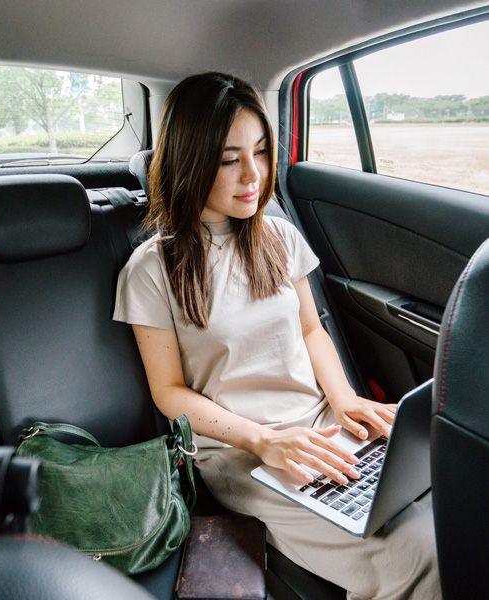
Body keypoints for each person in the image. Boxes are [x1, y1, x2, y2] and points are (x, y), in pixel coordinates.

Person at [113, 72, 439, 599]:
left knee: (449, 500)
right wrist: (263, 440)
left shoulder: (278, 235)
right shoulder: (152, 268)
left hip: (320, 424)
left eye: (261, 152)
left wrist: (345, 398)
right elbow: (167, 392)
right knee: (415, 556)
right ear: (191, 161)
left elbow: (312, 330)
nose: (253, 175)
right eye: (228, 159)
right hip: (241, 453)